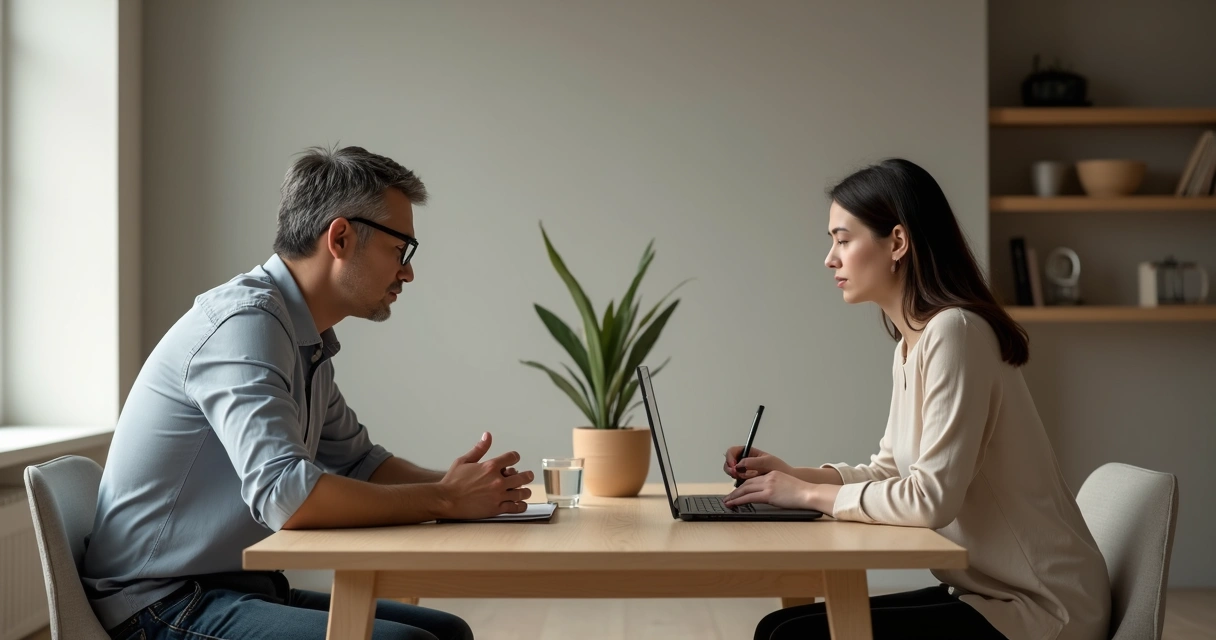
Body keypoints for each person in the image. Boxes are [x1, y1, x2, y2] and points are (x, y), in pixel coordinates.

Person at [83, 146, 533, 640]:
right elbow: (286, 496)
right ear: (340, 237)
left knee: (448, 632)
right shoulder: (246, 326)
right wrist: (444, 500)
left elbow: (361, 463)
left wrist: (468, 490)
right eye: (400, 248)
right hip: (162, 603)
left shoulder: (301, 338)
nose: (407, 271)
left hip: (236, 587)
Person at [721, 159, 1111, 640]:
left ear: (898, 243)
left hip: (1042, 607)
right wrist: (790, 474)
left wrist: (805, 496)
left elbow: (930, 499)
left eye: (843, 240)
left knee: (788, 636)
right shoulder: (913, 344)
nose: (830, 258)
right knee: (781, 626)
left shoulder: (956, 331)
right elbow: (890, 471)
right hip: (985, 591)